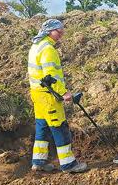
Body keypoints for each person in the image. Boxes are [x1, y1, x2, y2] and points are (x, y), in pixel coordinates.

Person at [28, 19, 88, 173]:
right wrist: (64, 93)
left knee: (42, 127)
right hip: (48, 96)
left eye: (62, 30)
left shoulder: (36, 45)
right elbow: (51, 76)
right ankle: (69, 165)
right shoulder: (48, 49)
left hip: (37, 95)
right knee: (59, 127)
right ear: (49, 31)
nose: (61, 34)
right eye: (58, 31)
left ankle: (38, 162)